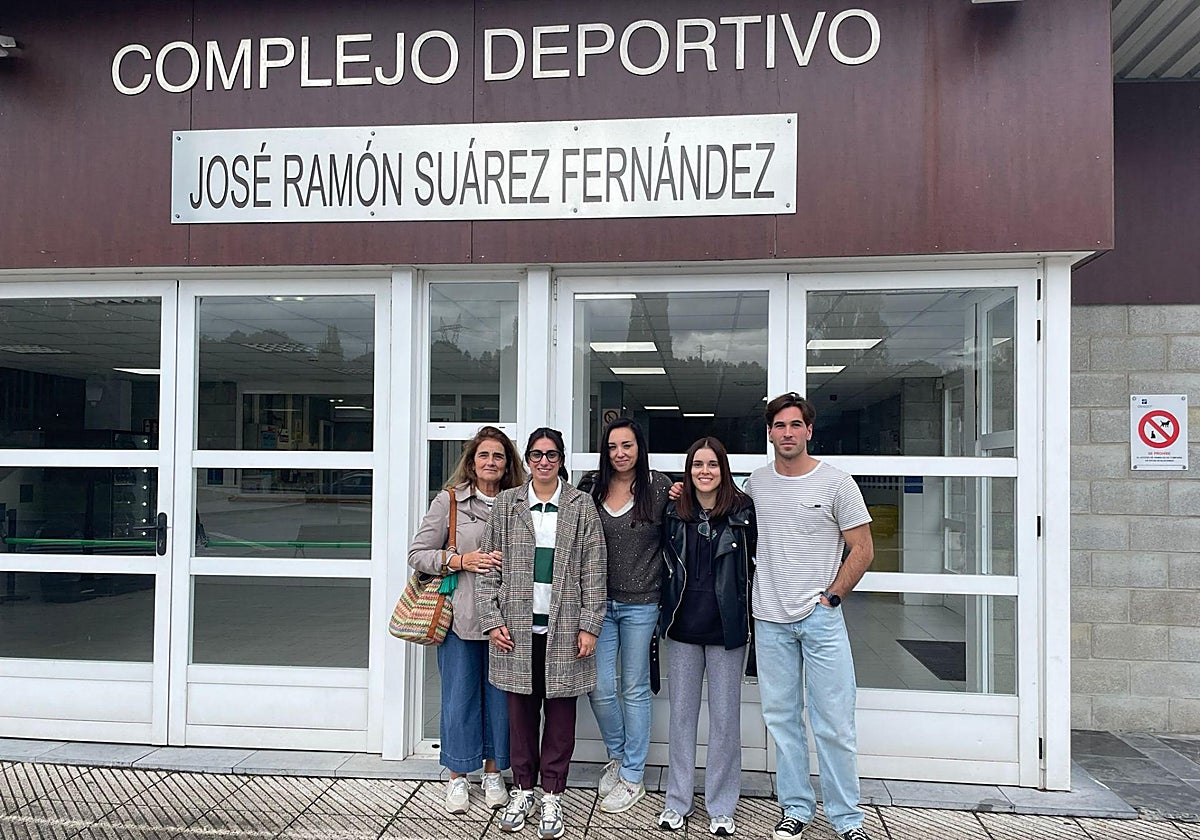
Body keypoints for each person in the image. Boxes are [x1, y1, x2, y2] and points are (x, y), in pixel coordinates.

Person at [749, 393, 874, 840]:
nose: (787, 433)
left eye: (795, 425)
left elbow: (863, 549)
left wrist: (833, 597)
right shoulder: (756, 484)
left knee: (835, 723)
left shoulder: (836, 483)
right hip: (769, 617)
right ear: (769, 432)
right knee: (783, 721)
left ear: (809, 430)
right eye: (779, 425)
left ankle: (848, 819)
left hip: (820, 619)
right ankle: (796, 809)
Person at [476, 427, 607, 840]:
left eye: (552, 454)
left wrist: (589, 625)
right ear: (528, 459)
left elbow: (594, 570)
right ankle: (523, 789)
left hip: (564, 628)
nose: (544, 461)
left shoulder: (581, 505)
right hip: (516, 628)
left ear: (562, 459)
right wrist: (491, 619)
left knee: (561, 714)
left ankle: (553, 792)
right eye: (536, 454)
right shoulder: (506, 505)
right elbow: (488, 568)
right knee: (520, 715)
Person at [408, 426, 527, 814]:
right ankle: (458, 777)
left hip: (507, 621)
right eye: (484, 456)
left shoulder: (521, 503)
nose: (491, 462)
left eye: (498, 456)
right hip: (461, 617)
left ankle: (494, 774)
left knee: (500, 702)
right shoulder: (450, 502)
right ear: (472, 462)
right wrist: (460, 560)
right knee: (459, 700)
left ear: (508, 463)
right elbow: (418, 554)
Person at [657, 437, 756, 837]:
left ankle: (721, 806)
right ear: (688, 469)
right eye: (698, 464)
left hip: (726, 628)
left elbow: (754, 565)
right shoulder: (673, 509)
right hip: (683, 626)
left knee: (724, 721)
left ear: (724, 469)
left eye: (712, 464)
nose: (704, 471)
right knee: (681, 718)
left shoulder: (743, 511)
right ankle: (677, 801)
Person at [583, 418, 673, 814]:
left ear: (640, 448)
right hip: (598, 605)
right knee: (599, 687)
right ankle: (619, 757)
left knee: (634, 688)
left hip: (642, 605)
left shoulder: (659, 487)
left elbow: (694, 510)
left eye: (628, 445)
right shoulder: (591, 487)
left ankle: (633, 776)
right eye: (613, 446)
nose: (620, 453)